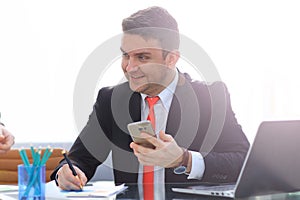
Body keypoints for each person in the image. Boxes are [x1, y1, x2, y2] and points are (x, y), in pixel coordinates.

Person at [51, 6, 249, 193]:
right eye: (125, 56)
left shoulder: (210, 98)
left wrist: (184, 159)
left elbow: (243, 162)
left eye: (142, 57)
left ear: (171, 59)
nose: (129, 67)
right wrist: (66, 173)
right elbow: (78, 159)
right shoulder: (110, 100)